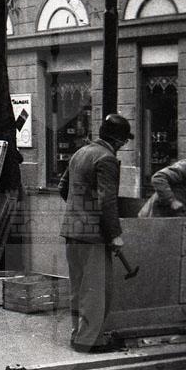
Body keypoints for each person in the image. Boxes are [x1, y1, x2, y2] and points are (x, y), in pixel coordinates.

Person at [59, 113, 134, 353]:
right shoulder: (107, 158)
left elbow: (63, 188)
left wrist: (80, 211)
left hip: (72, 232)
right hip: (93, 237)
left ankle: (77, 334)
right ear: (119, 141)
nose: (123, 146)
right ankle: (89, 342)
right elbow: (107, 200)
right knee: (96, 291)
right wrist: (114, 234)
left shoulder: (80, 153)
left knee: (78, 288)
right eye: (124, 141)